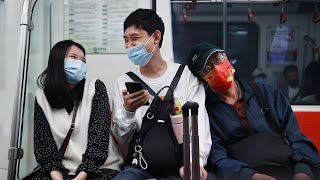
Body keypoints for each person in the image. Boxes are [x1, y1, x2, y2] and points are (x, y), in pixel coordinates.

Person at [186, 42, 320, 180]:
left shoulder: (266, 93)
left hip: (287, 168)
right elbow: (217, 157)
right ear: (201, 79)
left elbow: (295, 136)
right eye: (207, 69)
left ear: (225, 57)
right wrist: (250, 176)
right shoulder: (206, 112)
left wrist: (303, 171)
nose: (216, 69)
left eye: (218, 59)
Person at [112, 9, 211, 180]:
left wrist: (196, 161)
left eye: (135, 39)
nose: (129, 47)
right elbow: (122, 138)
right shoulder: (123, 81)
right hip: (140, 167)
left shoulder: (186, 76)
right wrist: (128, 112)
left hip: (182, 165)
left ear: (156, 37)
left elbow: (199, 123)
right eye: (126, 40)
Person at [32, 40, 122, 180]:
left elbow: (99, 140)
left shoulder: (95, 88)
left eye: (83, 60)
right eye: (73, 57)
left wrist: (81, 177)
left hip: (99, 169)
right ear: (57, 60)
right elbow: (44, 145)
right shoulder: (41, 97)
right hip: (58, 171)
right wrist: (57, 176)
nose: (80, 63)